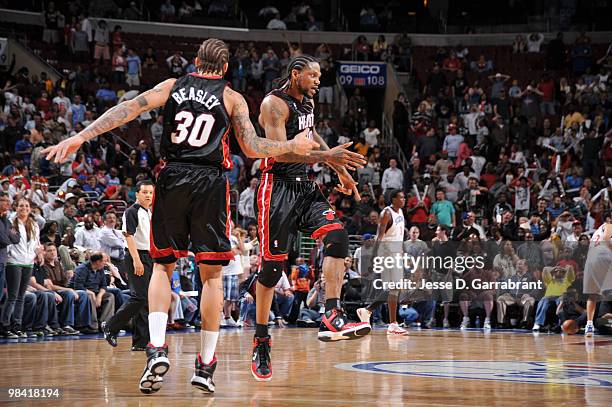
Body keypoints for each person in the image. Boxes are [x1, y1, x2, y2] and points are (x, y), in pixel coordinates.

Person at [43, 38, 318, 395]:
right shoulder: (232, 98)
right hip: (210, 182)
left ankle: (156, 346)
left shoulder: (172, 86)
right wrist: (290, 146)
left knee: (163, 266)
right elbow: (252, 147)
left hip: (171, 177)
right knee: (212, 277)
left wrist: (81, 136)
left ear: (194, 62)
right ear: (224, 68)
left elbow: (127, 109)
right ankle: (205, 365)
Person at [252, 54, 370, 382]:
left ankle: (331, 311)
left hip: (305, 187)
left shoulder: (307, 103)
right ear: (296, 73)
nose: (319, 80)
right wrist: (327, 157)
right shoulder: (274, 104)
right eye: (314, 75)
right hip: (276, 189)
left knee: (338, 237)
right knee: (272, 270)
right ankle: (262, 339)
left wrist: (341, 169)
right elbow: (278, 150)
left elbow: (313, 135)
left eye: (320, 76)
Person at [102, 181, 154, 351]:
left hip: (148, 256)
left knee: (145, 300)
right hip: (135, 256)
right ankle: (110, 326)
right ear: (137, 194)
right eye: (144, 192)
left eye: (150, 192)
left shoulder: (149, 212)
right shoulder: (132, 211)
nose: (148, 195)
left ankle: (140, 342)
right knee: (138, 297)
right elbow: (128, 236)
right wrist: (137, 260)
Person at [356, 190, 407, 335]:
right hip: (387, 253)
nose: (404, 199)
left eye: (404, 197)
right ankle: (392, 323)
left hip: (396, 253)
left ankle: (367, 310)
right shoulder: (386, 213)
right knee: (394, 287)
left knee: (394, 289)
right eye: (401, 197)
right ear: (394, 199)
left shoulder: (400, 212)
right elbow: (379, 237)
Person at [0, 198, 38, 338]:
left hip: (28, 262)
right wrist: (10, 257)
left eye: (27, 205)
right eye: (21, 205)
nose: (24, 208)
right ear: (16, 208)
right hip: (14, 262)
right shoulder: (11, 222)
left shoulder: (34, 224)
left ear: (30, 208)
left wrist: (35, 254)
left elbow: (36, 243)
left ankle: (17, 325)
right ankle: (5, 326)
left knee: (21, 296)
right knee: (13, 296)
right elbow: (8, 241)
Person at [582, 211, 612, 337]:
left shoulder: (596, 230)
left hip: (591, 259)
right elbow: (607, 239)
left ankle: (589, 324)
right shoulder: (609, 225)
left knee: (592, 295)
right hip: (604, 257)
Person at [0, 192, 20, 306]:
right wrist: (7, 237)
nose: (7, 203)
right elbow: (4, 240)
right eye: (3, 200)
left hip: (3, 261)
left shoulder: (6, 220)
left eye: (8, 200)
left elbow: (17, 238)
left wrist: (6, 237)